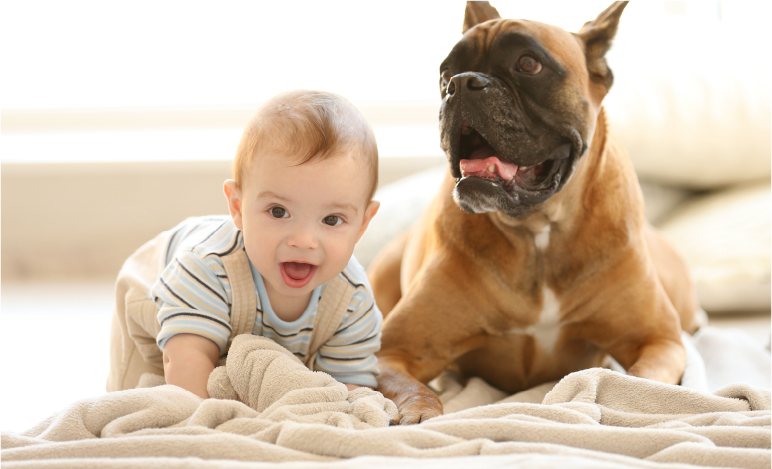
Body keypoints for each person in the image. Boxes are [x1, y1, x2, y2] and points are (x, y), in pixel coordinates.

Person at [107, 90, 382, 398]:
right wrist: (213, 424)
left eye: (331, 220)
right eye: (279, 212)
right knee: (145, 394)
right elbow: (185, 363)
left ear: (363, 224)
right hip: (158, 292)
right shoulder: (207, 268)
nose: (304, 240)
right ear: (237, 207)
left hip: (237, 319)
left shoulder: (351, 299)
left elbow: (351, 387)